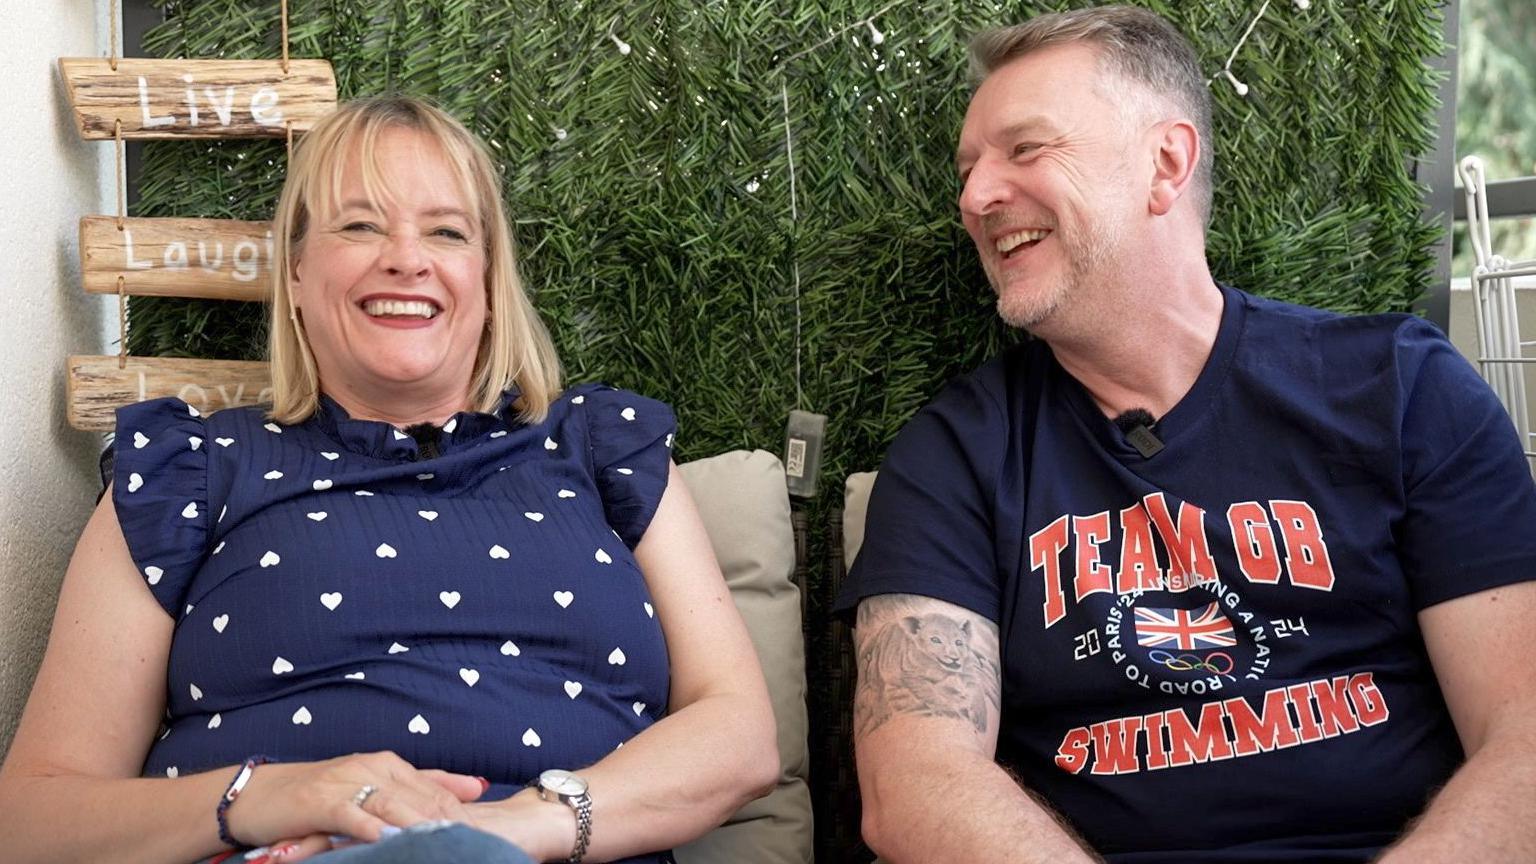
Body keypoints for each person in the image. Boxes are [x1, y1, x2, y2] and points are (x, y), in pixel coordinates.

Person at [836, 6, 1536, 863]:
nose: (975, 196)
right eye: (971, 167)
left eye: (1025, 149)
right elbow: (918, 788)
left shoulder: (1400, 389)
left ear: (1164, 164)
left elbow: (1525, 739)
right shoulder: (954, 456)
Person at [0, 96, 778, 864]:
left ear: (487, 279)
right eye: (361, 224)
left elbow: (739, 738)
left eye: (446, 231)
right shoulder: (191, 471)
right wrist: (268, 796)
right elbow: (32, 818)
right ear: (298, 272)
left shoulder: (601, 449)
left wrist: (517, 830)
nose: (407, 258)